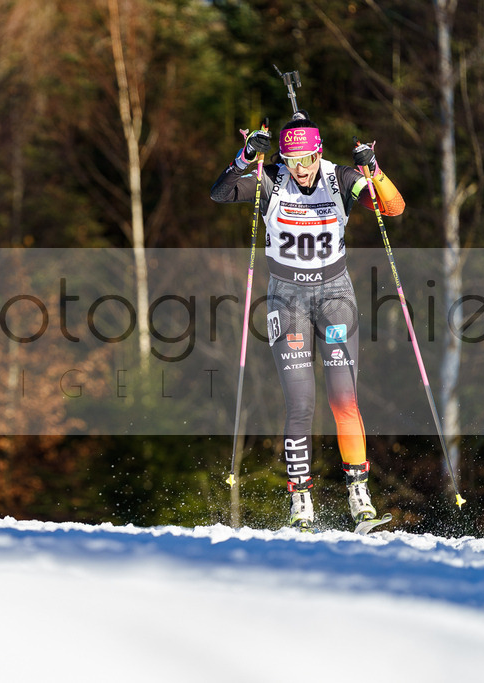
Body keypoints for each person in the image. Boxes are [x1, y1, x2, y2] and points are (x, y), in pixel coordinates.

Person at [209, 111, 405, 531]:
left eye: (307, 159)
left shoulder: (341, 179)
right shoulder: (270, 178)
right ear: (282, 156)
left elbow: (394, 207)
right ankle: (301, 499)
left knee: (343, 399)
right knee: (300, 404)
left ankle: (359, 494)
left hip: (335, 297)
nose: (300, 169)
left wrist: (374, 169)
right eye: (291, 159)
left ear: (319, 153)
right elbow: (221, 193)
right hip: (288, 299)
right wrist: (244, 157)